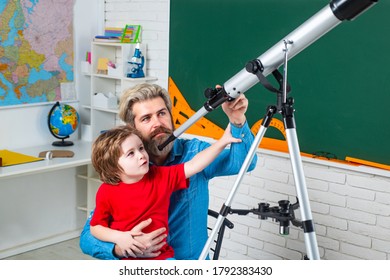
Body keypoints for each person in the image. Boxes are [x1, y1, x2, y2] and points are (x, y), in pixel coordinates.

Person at [80, 83, 257, 260]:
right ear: (132, 129)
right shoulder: (123, 172)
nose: (157, 123)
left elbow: (244, 163)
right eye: (146, 118)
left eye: (162, 113)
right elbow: (88, 237)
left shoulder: (195, 152)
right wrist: (122, 247)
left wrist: (237, 121)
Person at [89, 124, 241, 260]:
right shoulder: (106, 191)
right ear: (112, 166)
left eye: (141, 148)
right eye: (131, 153)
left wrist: (222, 142)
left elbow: (194, 165)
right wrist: (121, 238)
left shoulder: (160, 176)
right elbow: (96, 227)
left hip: (161, 258)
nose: (141, 155)